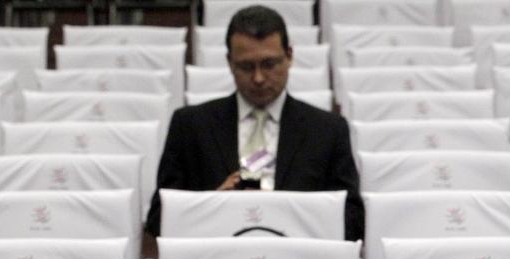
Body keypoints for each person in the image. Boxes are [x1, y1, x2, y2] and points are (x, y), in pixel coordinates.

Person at [145, 5, 363, 241]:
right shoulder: (189, 126)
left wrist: (289, 215)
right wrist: (211, 204)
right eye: (246, 67)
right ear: (229, 62)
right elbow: (159, 219)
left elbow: (352, 220)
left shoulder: (327, 131)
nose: (258, 78)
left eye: (269, 64)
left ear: (289, 56)